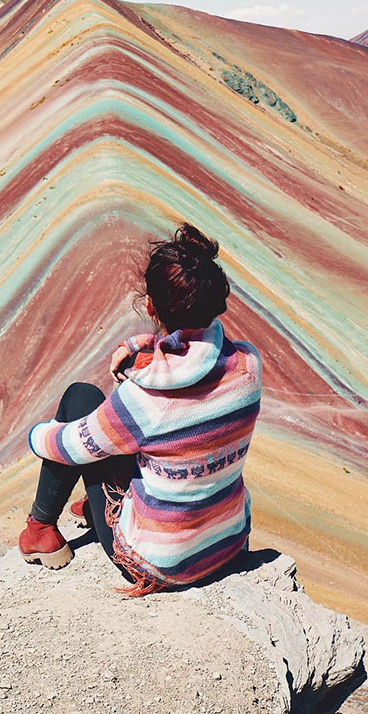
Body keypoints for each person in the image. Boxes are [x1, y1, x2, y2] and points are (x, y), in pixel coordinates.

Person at [19, 222, 262, 595]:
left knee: (79, 398)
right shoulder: (248, 365)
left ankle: (40, 530)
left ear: (150, 305)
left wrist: (34, 434)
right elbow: (196, 349)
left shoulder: (146, 401)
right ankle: (91, 505)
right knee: (152, 444)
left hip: (162, 562)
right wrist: (142, 346)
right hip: (228, 543)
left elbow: (68, 446)